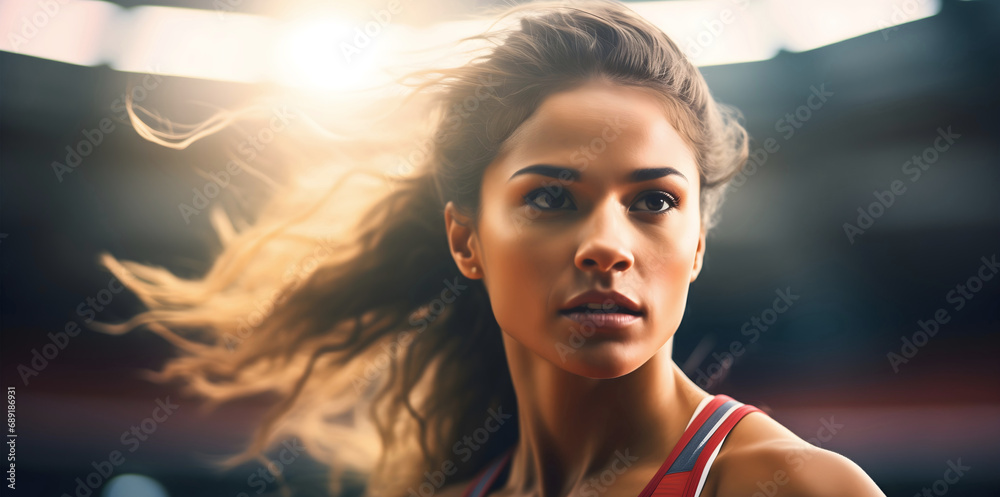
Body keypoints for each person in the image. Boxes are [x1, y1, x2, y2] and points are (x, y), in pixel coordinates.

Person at [96, 1, 886, 496]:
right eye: (550, 197)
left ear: (699, 244)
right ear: (465, 239)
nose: (607, 245)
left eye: (653, 201)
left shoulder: (796, 487)